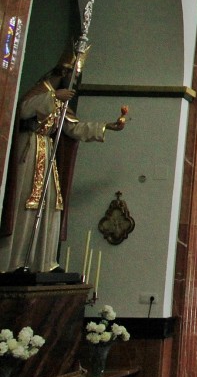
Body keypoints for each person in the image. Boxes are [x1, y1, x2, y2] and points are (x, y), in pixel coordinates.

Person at [0, 55, 127, 272]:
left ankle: (42, 261)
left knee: (50, 204)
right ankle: (13, 261)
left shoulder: (62, 102)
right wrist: (52, 96)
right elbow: (22, 110)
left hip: (46, 152)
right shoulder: (43, 91)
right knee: (25, 202)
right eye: (73, 76)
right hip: (28, 149)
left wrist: (107, 126)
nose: (75, 82)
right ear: (63, 73)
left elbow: (73, 127)